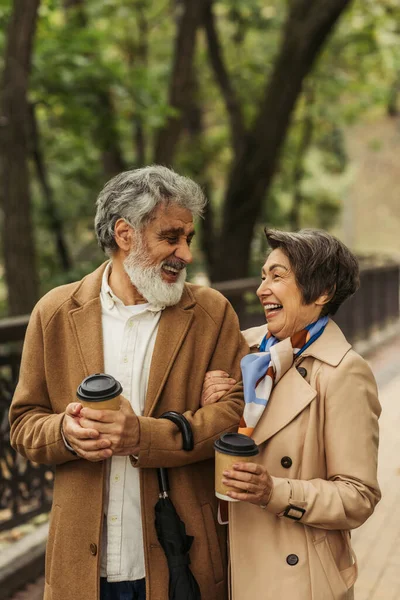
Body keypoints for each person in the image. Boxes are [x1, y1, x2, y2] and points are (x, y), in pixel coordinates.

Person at [9, 165, 248, 600]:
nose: (186, 254)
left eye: (188, 239)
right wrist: (65, 431)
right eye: (171, 237)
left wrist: (145, 434)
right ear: (125, 234)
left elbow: (232, 417)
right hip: (81, 569)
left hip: (183, 561)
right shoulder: (54, 312)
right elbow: (24, 425)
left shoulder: (213, 313)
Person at [201, 228, 381, 600]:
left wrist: (275, 490)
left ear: (322, 292)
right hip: (223, 562)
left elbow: (358, 495)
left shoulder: (343, 372)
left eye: (278, 276)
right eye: (264, 275)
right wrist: (211, 406)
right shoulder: (242, 348)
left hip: (297, 581)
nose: (261, 289)